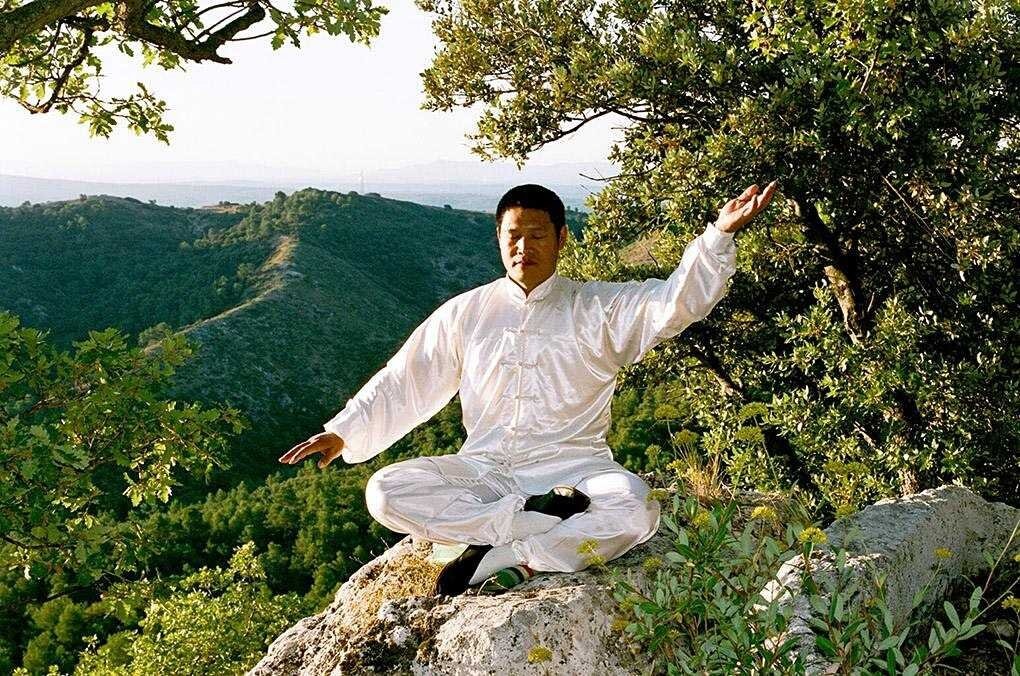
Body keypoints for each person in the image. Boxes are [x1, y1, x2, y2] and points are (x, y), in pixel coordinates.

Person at [279, 180, 778, 596]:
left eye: (537, 236)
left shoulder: (598, 308)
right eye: (513, 236)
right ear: (498, 238)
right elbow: (407, 378)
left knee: (635, 508)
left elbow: (674, 303)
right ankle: (525, 524)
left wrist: (718, 236)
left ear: (562, 238)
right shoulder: (466, 312)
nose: (524, 248)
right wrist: (344, 432)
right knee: (385, 492)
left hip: (576, 471)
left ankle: (513, 554)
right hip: (487, 471)